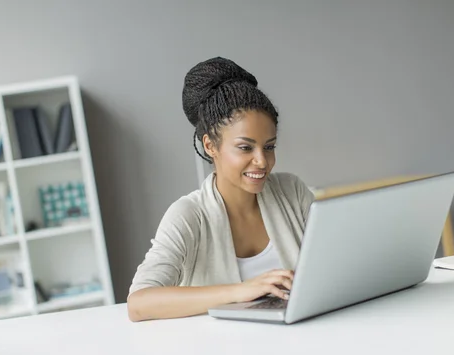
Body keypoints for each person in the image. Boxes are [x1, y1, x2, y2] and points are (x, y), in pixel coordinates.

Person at [127, 56, 314, 322]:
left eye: (269, 147)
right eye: (245, 147)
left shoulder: (292, 191)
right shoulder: (188, 215)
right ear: (210, 145)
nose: (262, 161)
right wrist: (242, 291)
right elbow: (139, 303)